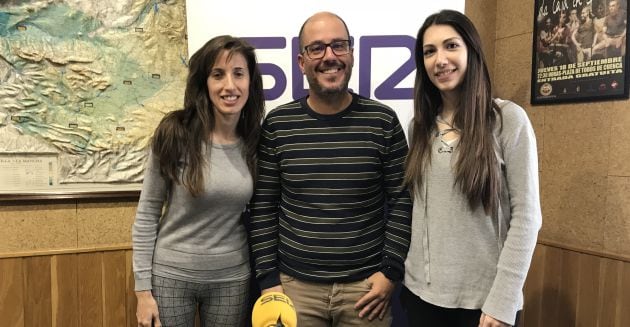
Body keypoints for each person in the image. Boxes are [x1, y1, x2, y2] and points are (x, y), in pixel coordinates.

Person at [249, 11, 412, 326]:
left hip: (366, 292)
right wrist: (269, 281)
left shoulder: (383, 121)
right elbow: (263, 207)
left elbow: (403, 200)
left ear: (352, 54)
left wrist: (390, 272)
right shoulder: (278, 125)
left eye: (339, 46)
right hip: (295, 289)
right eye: (317, 48)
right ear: (301, 61)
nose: (329, 56)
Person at [401, 9, 542, 327]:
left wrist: (503, 301)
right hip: (421, 298)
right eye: (429, 51)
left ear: (471, 51)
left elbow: (527, 218)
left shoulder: (507, 120)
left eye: (451, 45)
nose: (440, 60)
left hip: (485, 306)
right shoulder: (419, 127)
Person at [132, 35, 265, 327]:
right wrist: (143, 291)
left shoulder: (255, 142)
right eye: (218, 75)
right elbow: (147, 213)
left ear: (250, 83)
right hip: (172, 276)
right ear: (204, 83)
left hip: (232, 278)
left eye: (239, 74)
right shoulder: (174, 134)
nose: (229, 85)